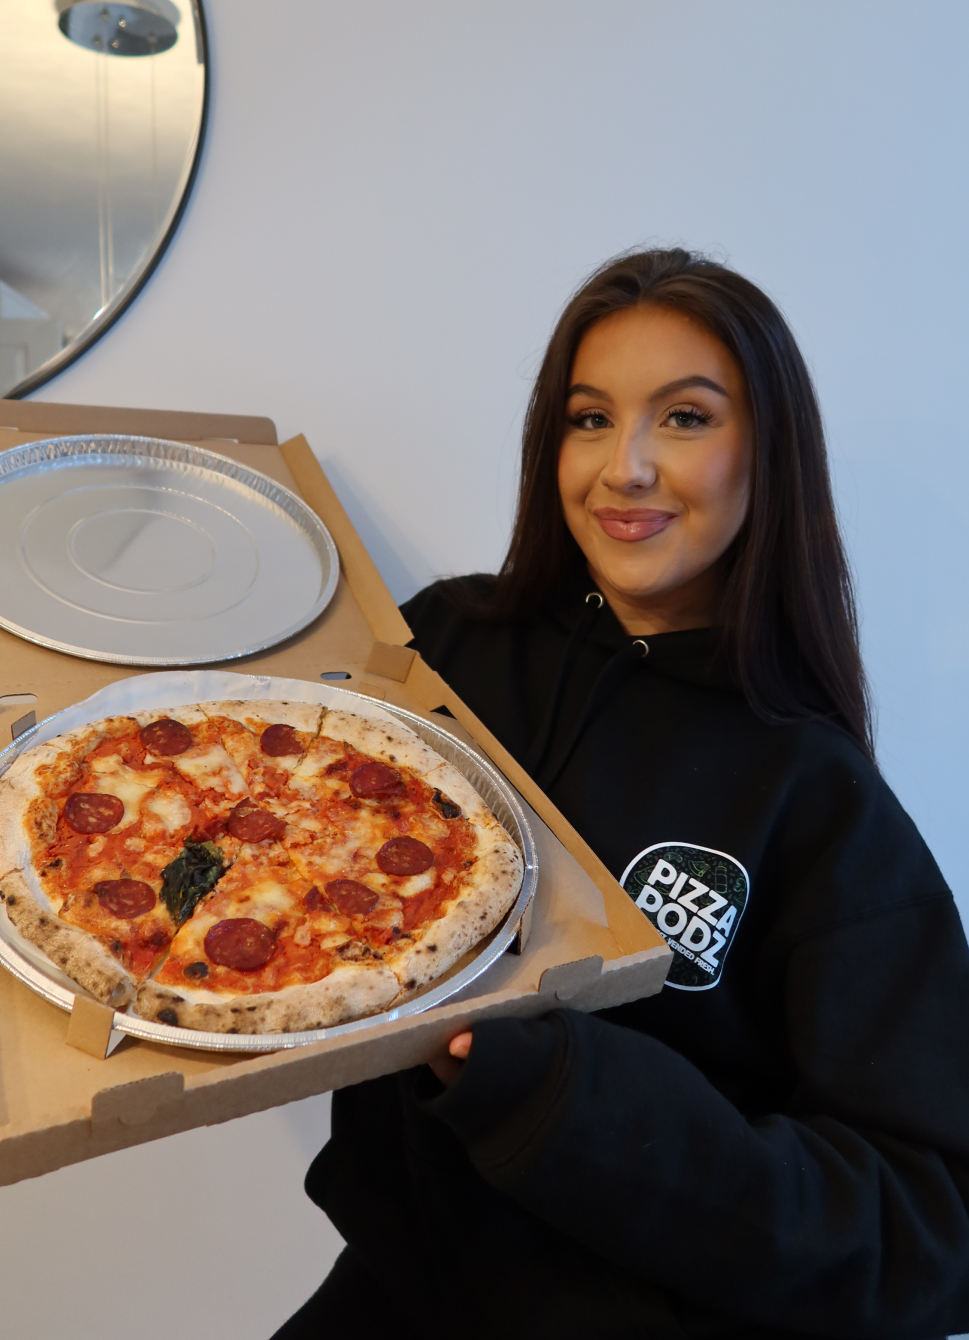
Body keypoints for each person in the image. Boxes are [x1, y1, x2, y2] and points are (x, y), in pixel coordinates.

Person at [273, 249, 969, 1339]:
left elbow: (929, 1237)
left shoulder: (819, 795)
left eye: (685, 419)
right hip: (401, 1284)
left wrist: (563, 1092)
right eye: (589, 418)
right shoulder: (447, 642)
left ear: (769, 449)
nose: (625, 468)